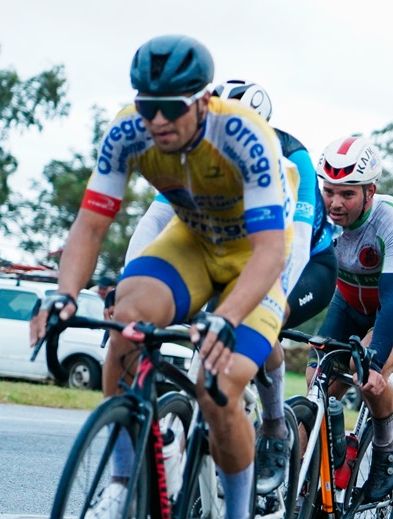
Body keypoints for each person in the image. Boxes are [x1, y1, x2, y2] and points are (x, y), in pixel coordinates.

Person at [29, 35, 309, 519]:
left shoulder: (244, 137)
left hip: (255, 258)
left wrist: (226, 317)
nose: (156, 120)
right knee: (126, 320)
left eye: (171, 108)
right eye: (147, 105)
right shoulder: (127, 130)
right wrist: (64, 294)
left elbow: (270, 254)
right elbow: (91, 224)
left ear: (203, 101)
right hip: (194, 244)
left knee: (219, 385)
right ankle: (122, 480)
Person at [124, 79, 336, 494]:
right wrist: (128, 283)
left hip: (304, 262)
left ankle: (274, 425)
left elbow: (294, 248)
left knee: (262, 321)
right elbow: (154, 221)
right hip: (232, 254)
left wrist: (267, 304)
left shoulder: (292, 159)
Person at [314, 135, 393, 504]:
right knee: (316, 381)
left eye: (347, 194)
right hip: (349, 303)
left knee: (365, 372)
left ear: (370, 192)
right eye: (329, 191)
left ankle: (385, 451)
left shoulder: (392, 220)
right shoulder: (317, 214)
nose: (335, 203)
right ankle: (307, 483)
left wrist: (376, 363)